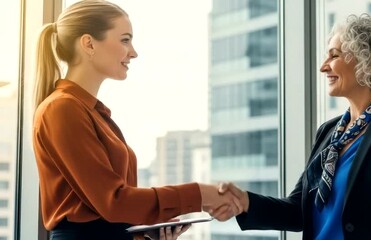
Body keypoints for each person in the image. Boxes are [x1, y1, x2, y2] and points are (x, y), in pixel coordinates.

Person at [216, 13, 371, 239]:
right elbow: (299, 211)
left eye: (334, 56)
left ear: (368, 61)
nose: (323, 67)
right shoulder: (329, 132)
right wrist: (244, 201)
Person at [32, 1, 241, 240]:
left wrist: (144, 230)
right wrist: (200, 194)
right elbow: (114, 202)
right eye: (124, 40)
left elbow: (107, 209)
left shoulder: (92, 112)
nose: (133, 52)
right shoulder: (62, 108)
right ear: (89, 44)